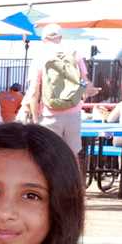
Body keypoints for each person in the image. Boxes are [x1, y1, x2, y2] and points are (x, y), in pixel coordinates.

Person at [17, 24, 91, 155]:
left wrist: (35, 119)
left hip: (48, 114)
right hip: (73, 112)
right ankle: (73, 175)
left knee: (47, 156)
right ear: (60, 37)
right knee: (72, 155)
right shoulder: (75, 54)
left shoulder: (40, 57)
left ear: (43, 39)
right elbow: (86, 84)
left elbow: (34, 92)